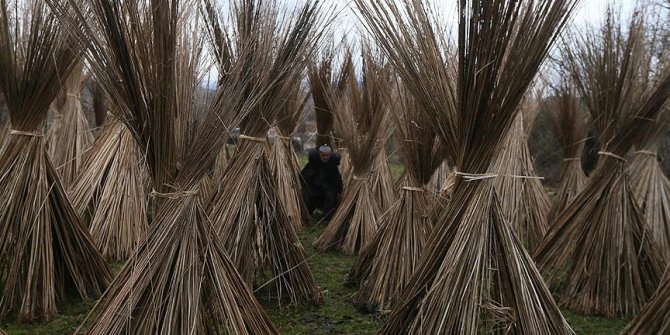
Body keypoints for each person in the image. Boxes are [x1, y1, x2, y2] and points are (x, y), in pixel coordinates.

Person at [301, 144, 343, 219]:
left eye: (327, 155)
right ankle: (307, 214)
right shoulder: (313, 162)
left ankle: (326, 217)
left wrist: (338, 189)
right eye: (323, 155)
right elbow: (306, 175)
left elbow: (337, 179)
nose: (325, 157)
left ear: (330, 154)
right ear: (319, 154)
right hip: (315, 186)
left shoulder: (333, 163)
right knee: (311, 196)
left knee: (330, 197)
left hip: (328, 187)